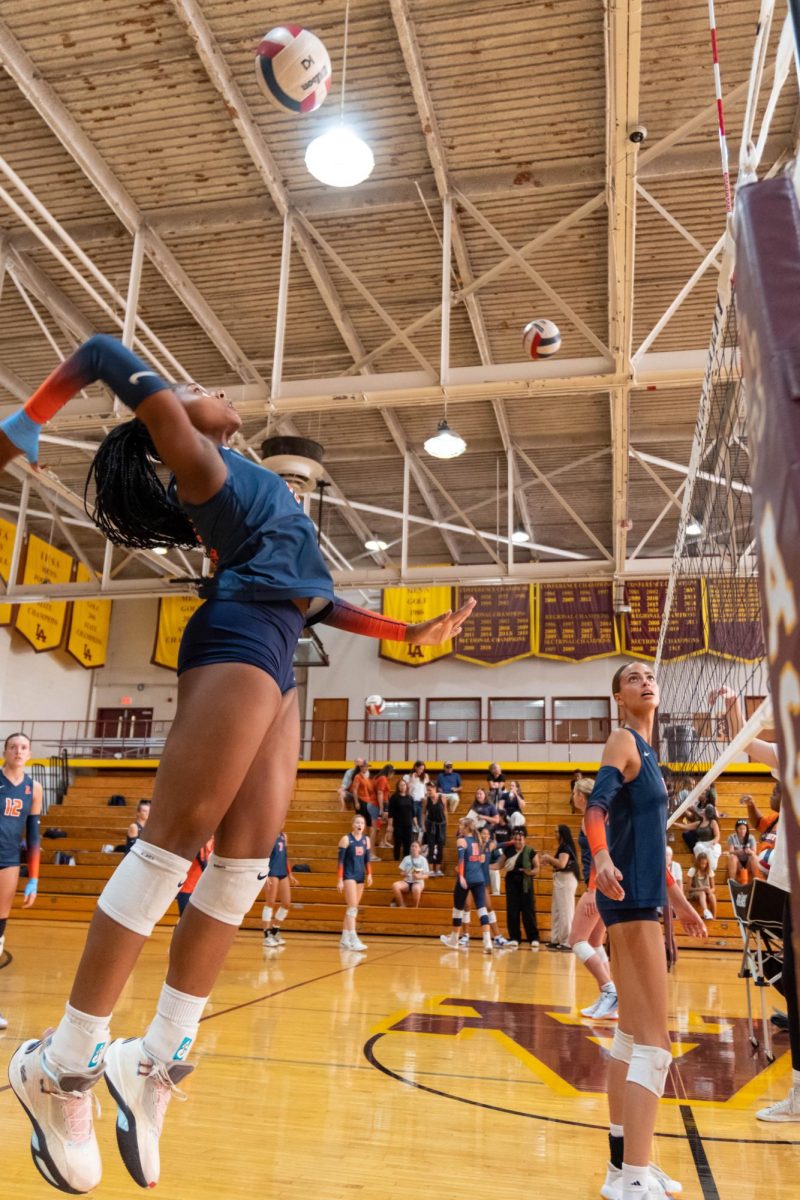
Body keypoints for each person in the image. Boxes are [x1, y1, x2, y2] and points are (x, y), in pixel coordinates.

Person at [2, 333, 476, 1194]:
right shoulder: (207, 468)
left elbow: (322, 602)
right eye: (189, 388)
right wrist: (28, 421)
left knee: (244, 867)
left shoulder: (248, 489)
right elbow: (104, 351)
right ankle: (61, 1062)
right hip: (238, 636)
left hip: (280, 642)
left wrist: (413, 635)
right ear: (171, 430)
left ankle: (153, 1059)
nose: (208, 389)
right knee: (171, 846)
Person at [585, 663, 707, 1200]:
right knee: (656, 1044)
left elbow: (651, 837)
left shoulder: (651, 754)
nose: (646, 681)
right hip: (629, 900)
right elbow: (596, 809)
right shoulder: (621, 739)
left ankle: (623, 1166)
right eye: (633, 677)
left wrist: (678, 900)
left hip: (645, 895)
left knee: (632, 1037)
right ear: (618, 695)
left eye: (650, 675)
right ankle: (634, 1177)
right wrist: (602, 857)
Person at [713, 685, 800, 1122]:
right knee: (795, 986)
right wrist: (733, 706)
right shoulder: (791, 754)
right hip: (789, 884)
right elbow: (745, 742)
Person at [0, 732, 42, 1031]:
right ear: (4, 751)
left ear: (29, 753)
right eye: (13, 746)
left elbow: (35, 837)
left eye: (23, 747)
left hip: (9, 862)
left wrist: (34, 879)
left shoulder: (34, 788)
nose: (18, 751)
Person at [569, 778, 617, 1021]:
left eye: (574, 793)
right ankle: (608, 1000)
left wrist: (591, 890)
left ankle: (609, 990)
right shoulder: (599, 815)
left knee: (576, 940)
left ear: (580, 795)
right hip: (602, 885)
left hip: (596, 886)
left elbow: (601, 854)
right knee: (596, 942)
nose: (572, 796)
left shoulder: (592, 816)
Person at [439, 817, 493, 954]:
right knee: (482, 909)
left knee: (458, 908)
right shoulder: (477, 841)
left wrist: (462, 876)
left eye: (461, 825)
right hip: (479, 879)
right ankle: (487, 942)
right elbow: (480, 860)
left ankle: (454, 939)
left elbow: (461, 860)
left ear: (467, 828)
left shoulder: (461, 840)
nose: (459, 827)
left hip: (466, 879)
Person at [495, 827, 539, 949]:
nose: (518, 841)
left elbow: (537, 868)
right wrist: (485, 866)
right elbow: (499, 864)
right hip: (511, 883)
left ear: (525, 839)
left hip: (526, 884)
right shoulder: (508, 850)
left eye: (520, 839)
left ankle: (533, 938)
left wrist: (529, 872)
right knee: (512, 910)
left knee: (528, 911)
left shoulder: (530, 851)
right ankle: (514, 938)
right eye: (516, 839)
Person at [541, 824, 580, 950]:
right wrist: (551, 861)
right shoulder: (564, 847)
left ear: (562, 833)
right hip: (561, 879)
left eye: (556, 832)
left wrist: (548, 858)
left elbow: (562, 864)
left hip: (566, 880)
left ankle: (567, 942)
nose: (555, 834)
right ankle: (556, 939)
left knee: (566, 911)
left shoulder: (565, 847)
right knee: (557, 910)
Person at [337, 815, 372, 952]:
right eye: (357, 822)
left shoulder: (366, 840)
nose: (360, 825)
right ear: (353, 824)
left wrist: (369, 874)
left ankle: (344, 938)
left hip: (360, 876)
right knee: (352, 908)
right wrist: (339, 879)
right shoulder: (346, 839)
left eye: (362, 823)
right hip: (348, 876)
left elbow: (367, 860)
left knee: (352, 908)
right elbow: (340, 862)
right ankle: (353, 938)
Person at [261, 830, 297, 946]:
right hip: (271, 872)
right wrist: (264, 874)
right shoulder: (268, 835)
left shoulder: (284, 836)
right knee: (270, 902)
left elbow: (285, 856)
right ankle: (266, 935)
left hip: (282, 872)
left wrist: (290, 874)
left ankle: (275, 930)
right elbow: (262, 856)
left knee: (286, 903)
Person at [675, 803, 722, 871]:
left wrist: (713, 843)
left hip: (710, 843)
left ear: (706, 813)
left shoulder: (713, 822)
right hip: (701, 844)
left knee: (709, 851)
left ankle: (710, 869)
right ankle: (701, 868)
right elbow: (686, 826)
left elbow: (717, 836)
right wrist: (674, 823)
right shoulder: (699, 823)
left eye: (704, 810)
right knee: (698, 847)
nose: (702, 810)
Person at [175, 838, 213, 917]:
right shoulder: (199, 839)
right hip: (188, 887)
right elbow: (201, 857)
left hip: (198, 887)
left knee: (192, 919)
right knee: (186, 918)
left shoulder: (212, 840)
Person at [391, 840, 429, 907]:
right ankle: (402, 905)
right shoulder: (406, 858)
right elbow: (401, 873)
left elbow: (427, 875)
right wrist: (405, 873)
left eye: (416, 846)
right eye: (412, 846)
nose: (413, 848)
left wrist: (419, 877)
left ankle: (415, 908)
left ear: (419, 849)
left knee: (416, 889)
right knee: (395, 885)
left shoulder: (423, 860)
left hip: (418, 882)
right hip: (407, 881)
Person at [423, 781, 448, 876]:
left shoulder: (443, 798)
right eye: (427, 790)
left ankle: (437, 869)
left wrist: (446, 825)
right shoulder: (426, 800)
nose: (429, 791)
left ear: (435, 789)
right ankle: (430, 870)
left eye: (430, 789)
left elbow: (445, 812)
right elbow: (423, 813)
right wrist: (424, 825)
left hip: (441, 825)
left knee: (440, 847)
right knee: (431, 846)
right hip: (430, 825)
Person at [685, 851, 716, 921]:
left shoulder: (709, 871)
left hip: (706, 893)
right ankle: (706, 912)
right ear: (698, 862)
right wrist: (701, 889)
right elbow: (688, 888)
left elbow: (713, 888)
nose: (703, 865)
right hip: (695, 893)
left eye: (705, 864)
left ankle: (714, 917)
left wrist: (709, 891)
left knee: (712, 896)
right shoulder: (693, 870)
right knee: (702, 893)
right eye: (701, 863)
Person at [388, 777, 414, 862]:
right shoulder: (394, 797)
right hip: (398, 824)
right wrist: (390, 825)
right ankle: (396, 861)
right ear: (398, 787)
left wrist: (416, 824)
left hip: (408, 824)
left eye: (404, 785)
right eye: (400, 785)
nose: (402, 787)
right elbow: (390, 813)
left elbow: (413, 813)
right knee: (398, 843)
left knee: (407, 844)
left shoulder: (410, 798)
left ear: (406, 786)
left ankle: (406, 861)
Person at [726, 817, 757, 882]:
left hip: (748, 863)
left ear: (746, 829)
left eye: (744, 829)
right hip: (738, 863)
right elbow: (731, 851)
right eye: (740, 829)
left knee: (754, 857)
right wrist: (737, 852)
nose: (742, 831)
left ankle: (757, 878)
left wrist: (749, 851)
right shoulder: (732, 837)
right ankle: (732, 880)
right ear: (736, 829)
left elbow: (754, 852)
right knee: (732, 857)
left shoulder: (751, 837)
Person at [403, 761, 428, 836]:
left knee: (420, 823)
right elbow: (406, 790)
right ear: (415, 767)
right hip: (411, 801)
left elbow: (426, 791)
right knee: (411, 822)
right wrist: (413, 779)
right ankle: (410, 841)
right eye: (420, 768)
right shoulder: (407, 777)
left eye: (423, 769)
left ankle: (419, 843)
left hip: (421, 802)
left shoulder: (424, 777)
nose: (421, 771)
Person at [373, 765, 395, 849]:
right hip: (383, 803)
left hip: (384, 803)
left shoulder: (379, 777)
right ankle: (381, 841)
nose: (392, 777)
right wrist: (382, 808)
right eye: (392, 774)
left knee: (383, 823)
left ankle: (383, 841)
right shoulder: (383, 778)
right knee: (382, 823)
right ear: (390, 773)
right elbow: (380, 793)